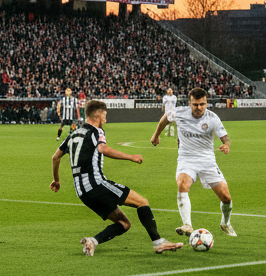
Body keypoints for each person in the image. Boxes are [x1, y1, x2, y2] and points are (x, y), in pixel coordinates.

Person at [51, 100, 184, 255]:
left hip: (81, 192)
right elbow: (102, 148)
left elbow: (55, 157)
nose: (106, 120)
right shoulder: (97, 131)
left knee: (124, 223)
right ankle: (158, 242)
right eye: (105, 115)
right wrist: (131, 157)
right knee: (142, 202)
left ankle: (92, 241)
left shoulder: (72, 135)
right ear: (99, 115)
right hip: (96, 184)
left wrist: (56, 180)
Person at [150, 87, 237, 237]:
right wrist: (156, 135)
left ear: (206, 103)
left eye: (202, 104)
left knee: (226, 197)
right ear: (189, 103)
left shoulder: (212, 118)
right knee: (182, 184)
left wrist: (226, 146)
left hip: (207, 161)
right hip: (186, 158)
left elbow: (226, 138)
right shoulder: (179, 112)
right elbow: (165, 118)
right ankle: (187, 225)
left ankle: (225, 222)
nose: (199, 108)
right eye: (196, 104)